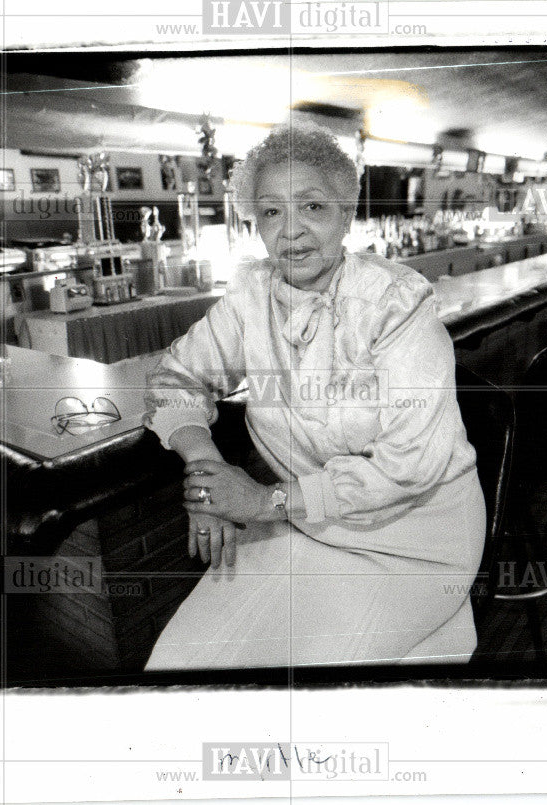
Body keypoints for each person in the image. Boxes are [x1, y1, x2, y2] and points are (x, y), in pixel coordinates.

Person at [141, 121, 485, 669]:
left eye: (313, 207)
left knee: (303, 687)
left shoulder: (397, 304)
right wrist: (207, 476)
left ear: (346, 213)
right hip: (305, 525)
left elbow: (412, 465)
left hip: (415, 538)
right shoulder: (250, 297)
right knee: (182, 663)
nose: (292, 232)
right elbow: (176, 380)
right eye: (272, 212)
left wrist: (262, 501)